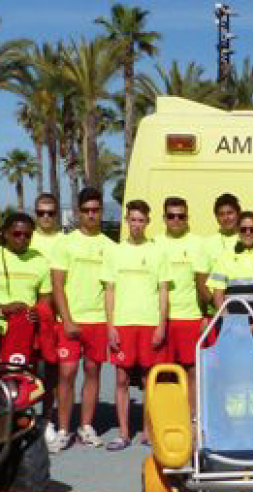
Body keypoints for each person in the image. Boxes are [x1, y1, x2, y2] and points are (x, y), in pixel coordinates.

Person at [49, 187, 115, 453]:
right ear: (78, 212)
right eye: (86, 210)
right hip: (69, 321)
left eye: (95, 210)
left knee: (92, 372)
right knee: (66, 373)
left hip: (97, 321)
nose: (90, 215)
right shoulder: (64, 243)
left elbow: (112, 289)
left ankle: (85, 427)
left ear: (100, 211)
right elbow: (57, 285)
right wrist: (67, 320)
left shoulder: (110, 246)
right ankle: (64, 429)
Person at [103, 200, 169, 452]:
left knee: (148, 380)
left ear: (147, 222)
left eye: (142, 220)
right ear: (127, 221)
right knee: (121, 379)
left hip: (150, 323)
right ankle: (123, 433)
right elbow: (109, 291)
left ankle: (148, 432)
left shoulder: (157, 251)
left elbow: (163, 292)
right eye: (133, 219)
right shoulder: (115, 251)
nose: (137, 224)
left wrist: (161, 325)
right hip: (123, 323)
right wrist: (111, 327)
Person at [0, 212, 51, 366]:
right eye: (17, 234)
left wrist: (38, 312)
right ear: (5, 234)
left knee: (25, 384)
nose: (22, 238)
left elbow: (45, 300)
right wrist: (4, 309)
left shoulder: (41, 261)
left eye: (27, 235)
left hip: (27, 334)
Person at [158, 196, 210, 409]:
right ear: (164, 218)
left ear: (187, 218)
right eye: (171, 216)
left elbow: (203, 284)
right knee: (163, 374)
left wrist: (206, 315)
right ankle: (166, 417)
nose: (176, 220)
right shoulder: (155, 244)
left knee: (192, 371)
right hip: (163, 319)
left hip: (191, 317)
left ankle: (192, 421)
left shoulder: (198, 244)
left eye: (181, 216)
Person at [30, 192, 64, 444]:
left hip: (56, 320)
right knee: (29, 371)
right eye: (41, 213)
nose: (46, 217)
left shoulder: (65, 241)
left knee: (52, 373)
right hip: (30, 319)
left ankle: (48, 419)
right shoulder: (25, 239)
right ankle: (28, 419)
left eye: (50, 213)